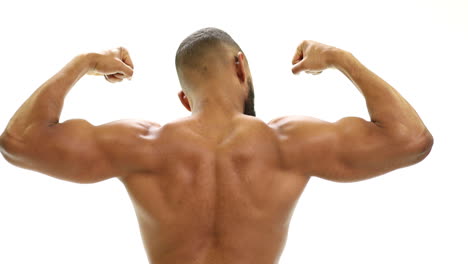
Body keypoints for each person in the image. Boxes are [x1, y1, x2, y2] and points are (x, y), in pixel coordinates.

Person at [0, 27, 433, 264]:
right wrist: (340, 58)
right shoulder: (288, 142)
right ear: (240, 65)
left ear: (184, 99)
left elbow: (19, 141)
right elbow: (410, 140)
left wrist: (84, 63)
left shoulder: (141, 144)